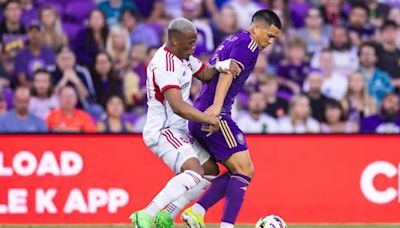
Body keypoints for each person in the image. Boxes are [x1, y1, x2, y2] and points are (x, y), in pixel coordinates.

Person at [129, 18, 239, 228]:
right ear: (175, 41)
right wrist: (208, 118)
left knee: (210, 171)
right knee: (194, 172)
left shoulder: (184, 56)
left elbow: (205, 74)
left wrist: (222, 65)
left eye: (195, 41)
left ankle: (167, 216)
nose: (194, 46)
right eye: (190, 42)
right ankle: (145, 214)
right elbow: (178, 105)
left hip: (178, 129)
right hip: (163, 130)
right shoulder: (164, 64)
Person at [184, 9, 281, 228]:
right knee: (245, 170)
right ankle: (223, 224)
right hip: (214, 115)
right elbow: (228, 72)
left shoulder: (234, 38)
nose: (270, 41)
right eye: (269, 35)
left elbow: (215, 68)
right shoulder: (249, 46)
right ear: (257, 28)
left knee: (238, 170)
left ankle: (197, 212)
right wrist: (216, 110)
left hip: (201, 111)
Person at [15, 21, 55, 87]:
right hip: (29, 90)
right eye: (31, 32)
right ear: (27, 35)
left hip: (48, 89)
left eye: (37, 31)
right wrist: (38, 88)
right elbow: (22, 80)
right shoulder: (21, 55)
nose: (34, 34)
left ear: (43, 35)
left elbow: (52, 76)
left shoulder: (50, 53)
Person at [358, 41, 393, 108]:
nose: (366, 57)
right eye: (363, 54)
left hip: (381, 115)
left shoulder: (384, 77)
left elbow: (390, 98)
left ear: (376, 57)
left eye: (369, 54)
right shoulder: (354, 76)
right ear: (359, 57)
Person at [376, 21, 400, 88]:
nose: (390, 33)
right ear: (381, 34)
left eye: (393, 30)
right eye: (386, 31)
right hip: (378, 87)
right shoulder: (375, 52)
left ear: (397, 33)